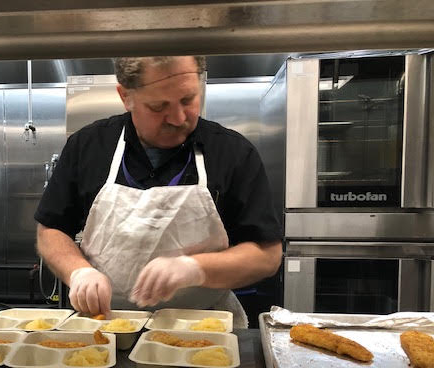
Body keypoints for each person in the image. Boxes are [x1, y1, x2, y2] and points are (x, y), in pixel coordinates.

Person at [34, 55, 282, 328]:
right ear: (125, 96)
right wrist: (78, 272)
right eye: (158, 106)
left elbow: (266, 254)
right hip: (105, 324)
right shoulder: (89, 146)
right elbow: (51, 231)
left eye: (188, 100)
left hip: (203, 326)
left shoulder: (232, 152)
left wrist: (195, 268)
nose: (178, 118)